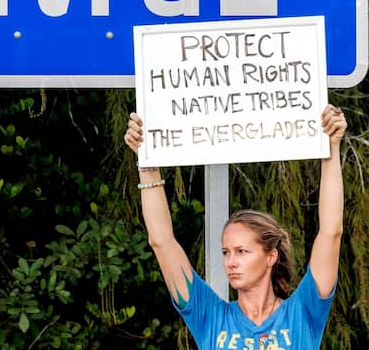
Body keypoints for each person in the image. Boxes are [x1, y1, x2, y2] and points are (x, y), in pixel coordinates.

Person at [123, 104, 347, 349]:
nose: (230, 262)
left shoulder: (303, 311)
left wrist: (332, 147)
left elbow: (331, 232)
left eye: (242, 251)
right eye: (226, 252)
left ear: (271, 256)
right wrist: (146, 164)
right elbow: (162, 241)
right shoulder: (209, 315)